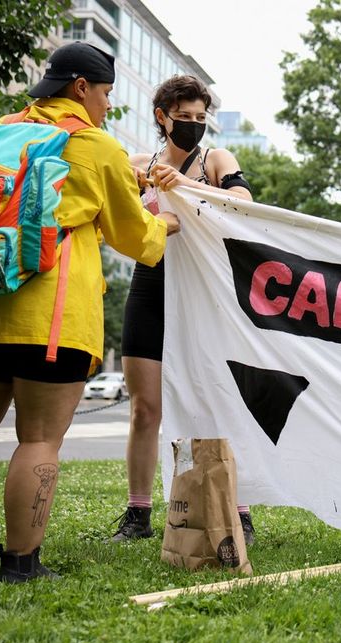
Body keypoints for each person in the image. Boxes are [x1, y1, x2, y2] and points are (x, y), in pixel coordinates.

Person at [0, 42, 181, 582]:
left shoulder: (1, 130)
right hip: (52, 318)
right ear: (80, 88)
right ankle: (21, 563)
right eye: (106, 93)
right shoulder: (96, 147)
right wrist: (164, 223)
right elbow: (133, 237)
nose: (109, 105)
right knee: (40, 438)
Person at [111, 74, 255, 543]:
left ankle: (239, 510)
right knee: (144, 408)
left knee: (219, 401)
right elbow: (120, 221)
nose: (193, 125)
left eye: (200, 118)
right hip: (151, 288)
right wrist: (134, 188)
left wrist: (189, 189)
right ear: (161, 117)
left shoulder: (214, 159)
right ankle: (137, 515)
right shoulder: (138, 164)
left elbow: (242, 204)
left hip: (204, 294)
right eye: (184, 117)